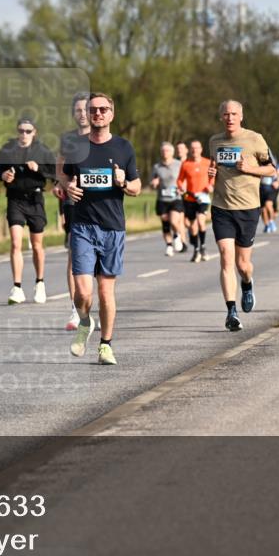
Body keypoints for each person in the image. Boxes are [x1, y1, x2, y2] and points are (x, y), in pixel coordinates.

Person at [60, 92, 141, 365]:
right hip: (82, 226)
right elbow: (65, 176)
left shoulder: (123, 147)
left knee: (105, 291)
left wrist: (123, 183)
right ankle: (85, 323)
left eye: (103, 109)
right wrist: (67, 186)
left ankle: (105, 345)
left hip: (112, 227)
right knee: (83, 292)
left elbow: (137, 188)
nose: (97, 114)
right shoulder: (76, 147)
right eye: (93, 110)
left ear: (112, 114)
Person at [207, 99, 276, 332]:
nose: (230, 118)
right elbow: (214, 170)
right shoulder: (214, 142)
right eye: (226, 114)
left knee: (243, 264)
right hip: (221, 207)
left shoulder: (254, 139)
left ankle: (247, 284)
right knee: (226, 257)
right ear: (221, 117)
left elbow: (271, 169)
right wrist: (211, 173)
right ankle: (231, 312)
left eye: (234, 114)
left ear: (241, 116)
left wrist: (250, 169)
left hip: (248, 208)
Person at [0, 118, 56, 304]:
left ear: (34, 132)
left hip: (35, 199)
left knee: (37, 245)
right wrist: (3, 175)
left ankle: (40, 283)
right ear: (17, 131)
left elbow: (54, 173)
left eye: (28, 131)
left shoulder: (42, 150)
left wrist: (39, 169)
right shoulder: (7, 149)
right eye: (21, 130)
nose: (24, 134)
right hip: (15, 198)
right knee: (15, 243)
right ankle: (17, 287)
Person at [54, 92, 91, 331]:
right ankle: (75, 308)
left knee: (95, 261)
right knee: (74, 253)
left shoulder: (101, 137)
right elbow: (61, 168)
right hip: (73, 201)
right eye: (77, 110)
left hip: (98, 203)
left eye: (85, 109)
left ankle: (89, 303)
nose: (82, 114)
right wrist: (62, 184)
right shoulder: (68, 139)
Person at [177, 140, 213, 263]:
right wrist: (181, 186)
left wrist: (211, 186)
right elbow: (179, 180)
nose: (194, 150)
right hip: (190, 197)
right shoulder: (186, 164)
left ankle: (202, 246)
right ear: (190, 150)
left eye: (197, 148)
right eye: (192, 148)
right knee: (192, 226)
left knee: (201, 222)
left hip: (203, 197)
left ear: (201, 149)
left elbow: (213, 177)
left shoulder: (207, 162)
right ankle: (196, 249)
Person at [149, 141, 186, 256]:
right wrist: (153, 184)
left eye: (167, 150)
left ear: (172, 152)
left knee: (174, 220)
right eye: (163, 150)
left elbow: (185, 180)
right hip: (162, 199)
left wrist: (183, 188)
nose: (165, 152)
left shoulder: (178, 164)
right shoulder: (157, 167)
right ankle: (169, 246)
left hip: (176, 198)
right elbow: (151, 183)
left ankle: (177, 235)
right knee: (165, 224)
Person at [260, 151, 279, 233]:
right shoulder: (261, 166)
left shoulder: (278, 166)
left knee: (268, 205)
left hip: (271, 188)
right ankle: (266, 225)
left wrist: (277, 181)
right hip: (262, 188)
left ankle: (271, 221)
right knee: (262, 209)